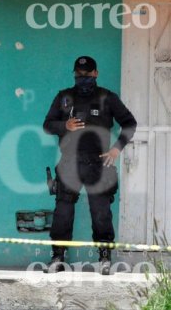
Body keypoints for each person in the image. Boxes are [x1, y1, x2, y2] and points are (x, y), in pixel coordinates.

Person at [43, 56, 137, 275]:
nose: (82, 78)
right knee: (63, 212)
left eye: (87, 74)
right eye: (78, 74)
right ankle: (58, 256)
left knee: (101, 213)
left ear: (96, 73)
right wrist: (64, 125)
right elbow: (47, 125)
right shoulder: (64, 97)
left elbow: (130, 124)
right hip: (69, 163)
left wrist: (116, 149)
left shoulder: (107, 98)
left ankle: (104, 258)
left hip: (99, 162)